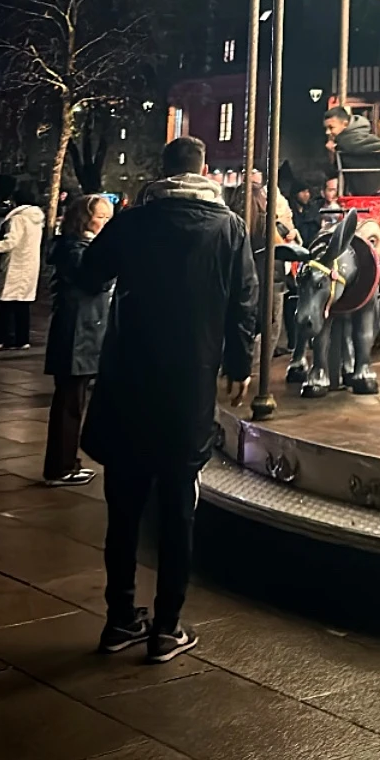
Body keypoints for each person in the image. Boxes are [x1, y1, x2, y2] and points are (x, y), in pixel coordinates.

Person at [78, 135, 257, 662]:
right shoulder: (228, 228)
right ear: (203, 171)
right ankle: (167, 625)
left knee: (123, 510)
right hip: (188, 384)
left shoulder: (134, 221)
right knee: (179, 508)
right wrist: (240, 366)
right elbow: (243, 304)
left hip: (128, 380)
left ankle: (118, 618)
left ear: (164, 170)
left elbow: (90, 273)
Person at [42, 194, 114, 486]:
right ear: (85, 218)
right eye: (101, 217)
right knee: (69, 403)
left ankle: (67, 462)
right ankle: (61, 467)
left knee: (74, 400)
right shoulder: (76, 248)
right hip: (77, 335)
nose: (106, 223)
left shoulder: (79, 247)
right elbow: (94, 281)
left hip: (83, 333)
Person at [0, 182, 45, 350]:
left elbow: (11, 242)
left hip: (16, 264)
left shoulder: (18, 218)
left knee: (5, 303)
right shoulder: (36, 219)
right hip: (30, 265)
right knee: (22, 304)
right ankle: (21, 338)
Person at [323, 105, 380, 195]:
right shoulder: (343, 141)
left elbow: (379, 146)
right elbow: (338, 168)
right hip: (371, 186)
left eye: (331, 128)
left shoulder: (353, 139)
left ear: (345, 124)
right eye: (326, 128)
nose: (327, 132)